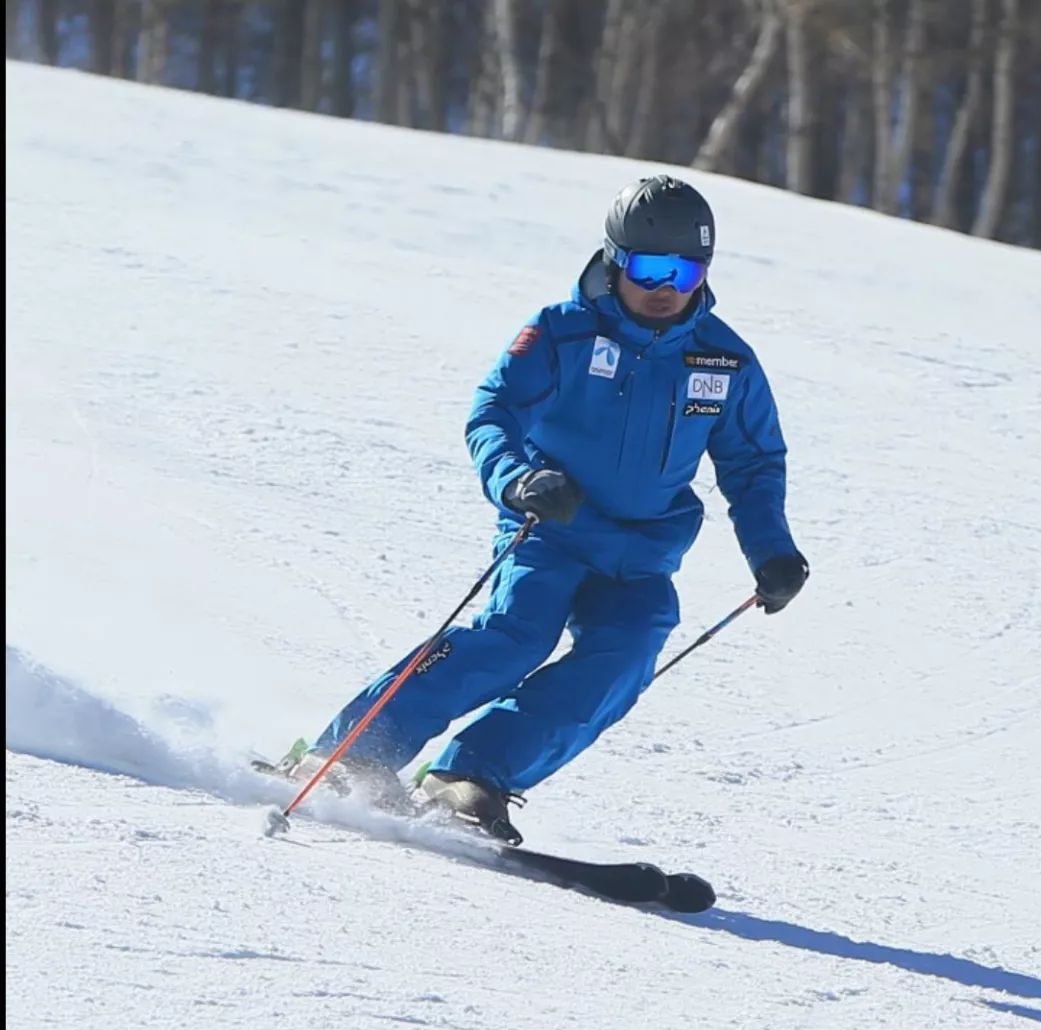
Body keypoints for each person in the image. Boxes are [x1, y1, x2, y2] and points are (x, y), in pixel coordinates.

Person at [291, 174, 808, 844]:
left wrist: (771, 549)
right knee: (515, 635)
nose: (667, 286)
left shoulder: (725, 360)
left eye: (686, 270)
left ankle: (471, 775)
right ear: (617, 260)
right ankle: (352, 751)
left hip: (642, 553)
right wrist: (517, 479)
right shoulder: (562, 334)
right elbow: (493, 411)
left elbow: (753, 462)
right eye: (651, 267)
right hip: (552, 527)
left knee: (626, 652)